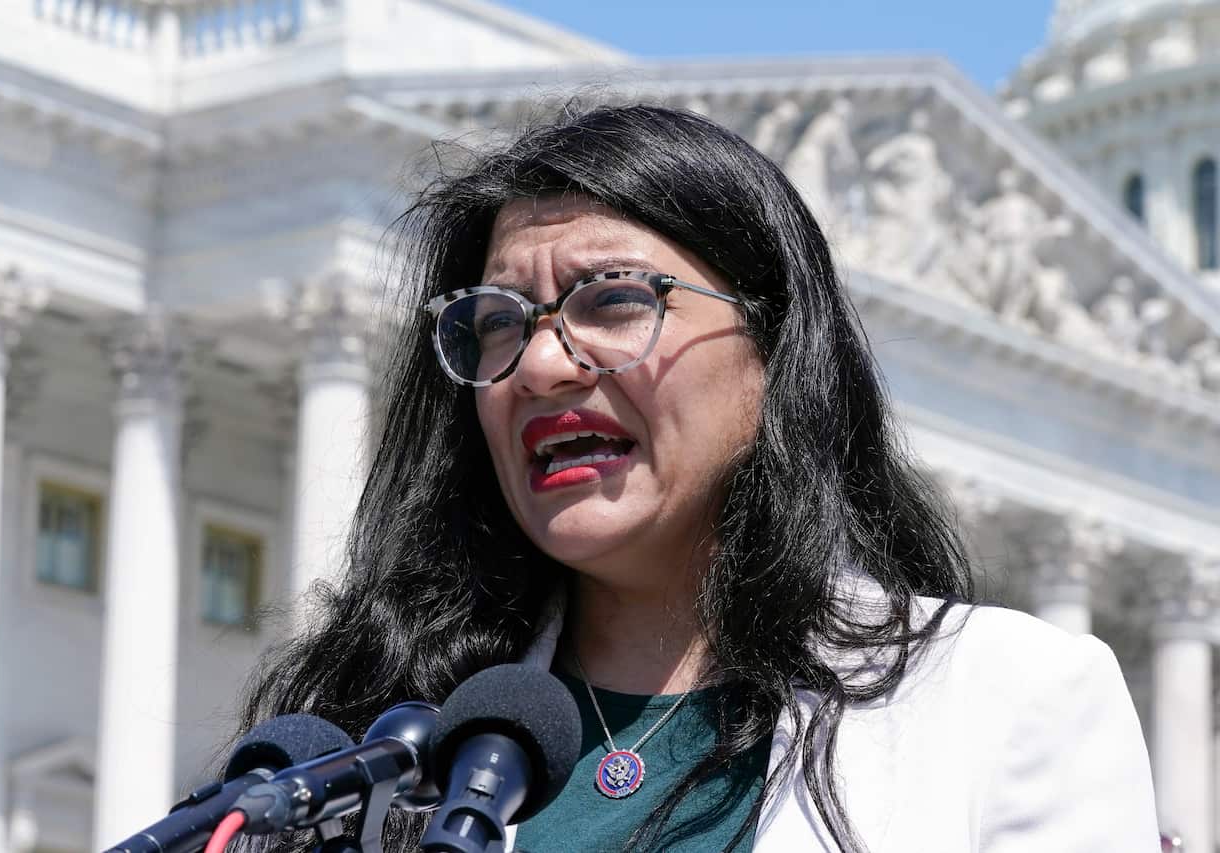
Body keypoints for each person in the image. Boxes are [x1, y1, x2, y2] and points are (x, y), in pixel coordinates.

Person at [239, 104, 1159, 852]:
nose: (541, 365)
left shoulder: (1007, 697)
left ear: (774, 352)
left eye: (614, 300)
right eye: (496, 322)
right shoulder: (371, 743)